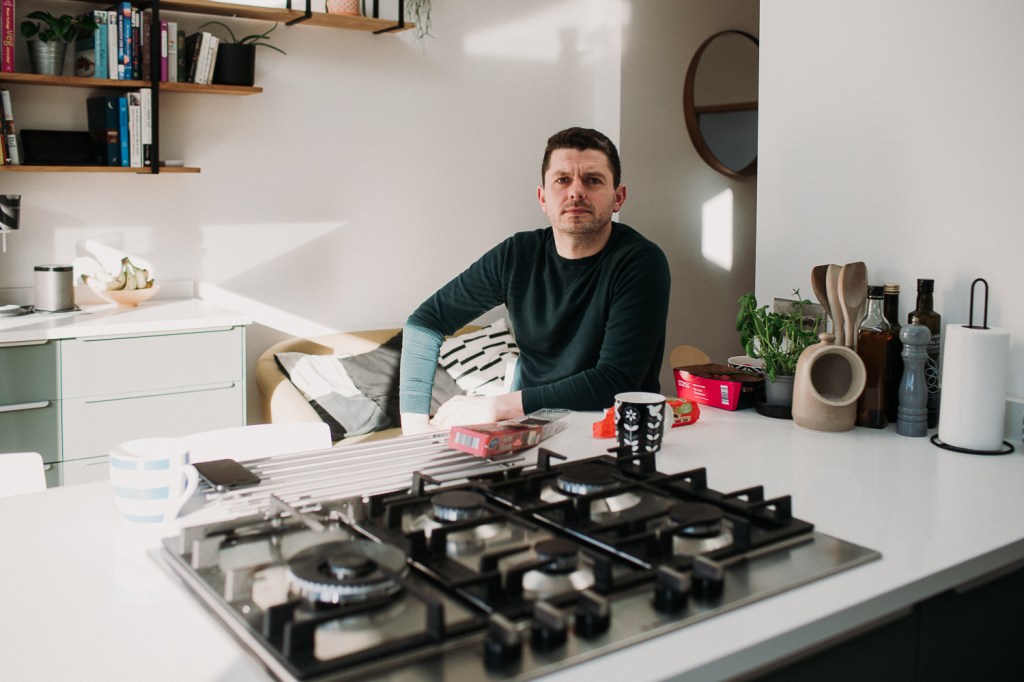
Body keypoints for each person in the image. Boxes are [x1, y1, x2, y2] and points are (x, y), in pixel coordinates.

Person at [399, 127, 671, 434]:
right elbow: (425, 322)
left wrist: (496, 407)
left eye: (593, 180)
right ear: (542, 198)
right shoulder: (516, 255)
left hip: (613, 432)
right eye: (562, 180)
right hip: (528, 429)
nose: (576, 192)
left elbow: (614, 382)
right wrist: (414, 428)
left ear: (618, 197)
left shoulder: (640, 262)